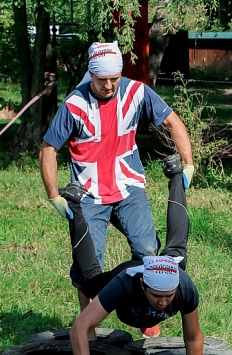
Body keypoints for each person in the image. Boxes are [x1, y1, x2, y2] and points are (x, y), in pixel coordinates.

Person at [40, 41, 195, 313]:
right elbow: (49, 149)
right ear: (91, 75)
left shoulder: (137, 92)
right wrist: (54, 196)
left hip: (128, 187)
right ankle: (88, 329)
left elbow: (173, 121)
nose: (109, 86)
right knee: (88, 268)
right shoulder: (75, 105)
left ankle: (145, 312)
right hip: (89, 194)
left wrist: (188, 163)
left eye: (114, 79)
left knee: (147, 251)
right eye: (102, 80)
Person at [66, 156, 204, 355]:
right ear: (143, 285)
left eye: (168, 296)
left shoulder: (184, 287)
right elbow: (79, 328)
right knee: (88, 278)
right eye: (158, 295)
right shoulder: (124, 284)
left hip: (166, 266)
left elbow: (193, 337)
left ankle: (176, 175)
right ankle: (75, 205)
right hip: (123, 278)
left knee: (179, 243)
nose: (163, 301)